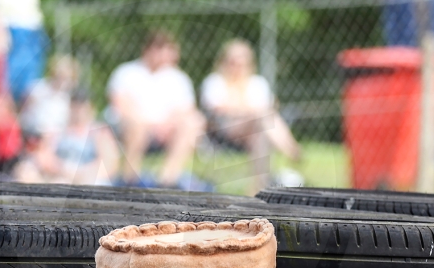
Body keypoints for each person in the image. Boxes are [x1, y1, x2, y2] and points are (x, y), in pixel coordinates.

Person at [106, 30, 205, 186]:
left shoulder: (178, 78)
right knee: (137, 126)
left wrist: (166, 125)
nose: (163, 54)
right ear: (147, 49)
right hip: (131, 127)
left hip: (166, 130)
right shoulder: (126, 73)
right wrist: (150, 125)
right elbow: (121, 106)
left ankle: (166, 180)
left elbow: (186, 110)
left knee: (193, 123)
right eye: (158, 48)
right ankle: (129, 181)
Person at [200, 39, 302, 190]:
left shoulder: (257, 82)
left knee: (261, 132)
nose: (237, 68)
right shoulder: (214, 81)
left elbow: (269, 106)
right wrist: (249, 110)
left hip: (254, 130)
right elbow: (217, 108)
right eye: (233, 62)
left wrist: (244, 109)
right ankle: (292, 150)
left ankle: (257, 190)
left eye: (242, 63)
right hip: (223, 132)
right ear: (224, 62)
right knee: (263, 117)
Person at [15, 88, 120, 185]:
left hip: (88, 179)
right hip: (60, 176)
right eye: (75, 105)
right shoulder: (59, 131)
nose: (78, 110)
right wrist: (62, 170)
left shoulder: (99, 132)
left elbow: (109, 165)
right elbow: (44, 158)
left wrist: (77, 174)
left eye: (81, 105)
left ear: (91, 108)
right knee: (26, 171)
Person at [18, 55, 78, 137]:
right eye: (61, 77)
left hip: (54, 139)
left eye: (68, 79)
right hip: (31, 134)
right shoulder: (37, 88)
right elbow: (23, 112)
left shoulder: (67, 100)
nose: (63, 81)